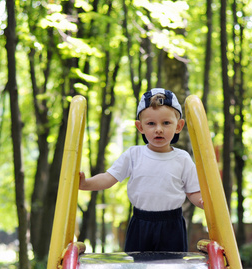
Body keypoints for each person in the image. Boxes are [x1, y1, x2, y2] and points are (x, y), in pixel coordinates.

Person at [79, 88, 203, 252]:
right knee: (137, 268)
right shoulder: (134, 155)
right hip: (140, 223)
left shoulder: (183, 159)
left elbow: (193, 192)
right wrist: (85, 183)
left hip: (172, 225)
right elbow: (109, 178)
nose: (158, 129)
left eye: (166, 123)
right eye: (151, 123)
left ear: (179, 126)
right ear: (140, 127)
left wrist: (204, 202)